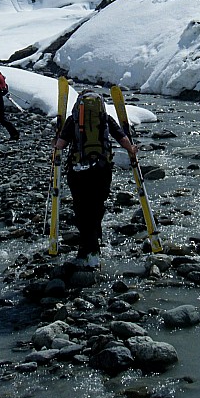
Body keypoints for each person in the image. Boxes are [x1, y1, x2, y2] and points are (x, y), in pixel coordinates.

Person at [54, 89, 137, 267]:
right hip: (102, 169)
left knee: (81, 209)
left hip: (78, 171)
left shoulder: (74, 120)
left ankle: (88, 250)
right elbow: (122, 139)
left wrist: (56, 142)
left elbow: (60, 145)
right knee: (97, 206)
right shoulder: (105, 119)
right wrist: (131, 150)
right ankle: (93, 244)